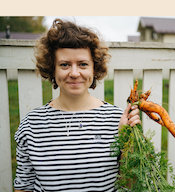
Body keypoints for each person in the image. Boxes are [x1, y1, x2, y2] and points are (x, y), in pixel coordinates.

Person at [14, 18, 141, 192]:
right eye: (65, 65)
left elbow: (129, 184)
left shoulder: (118, 120)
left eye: (83, 64)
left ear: (94, 69)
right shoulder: (31, 124)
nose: (74, 73)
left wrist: (127, 140)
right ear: (52, 69)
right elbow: (24, 186)